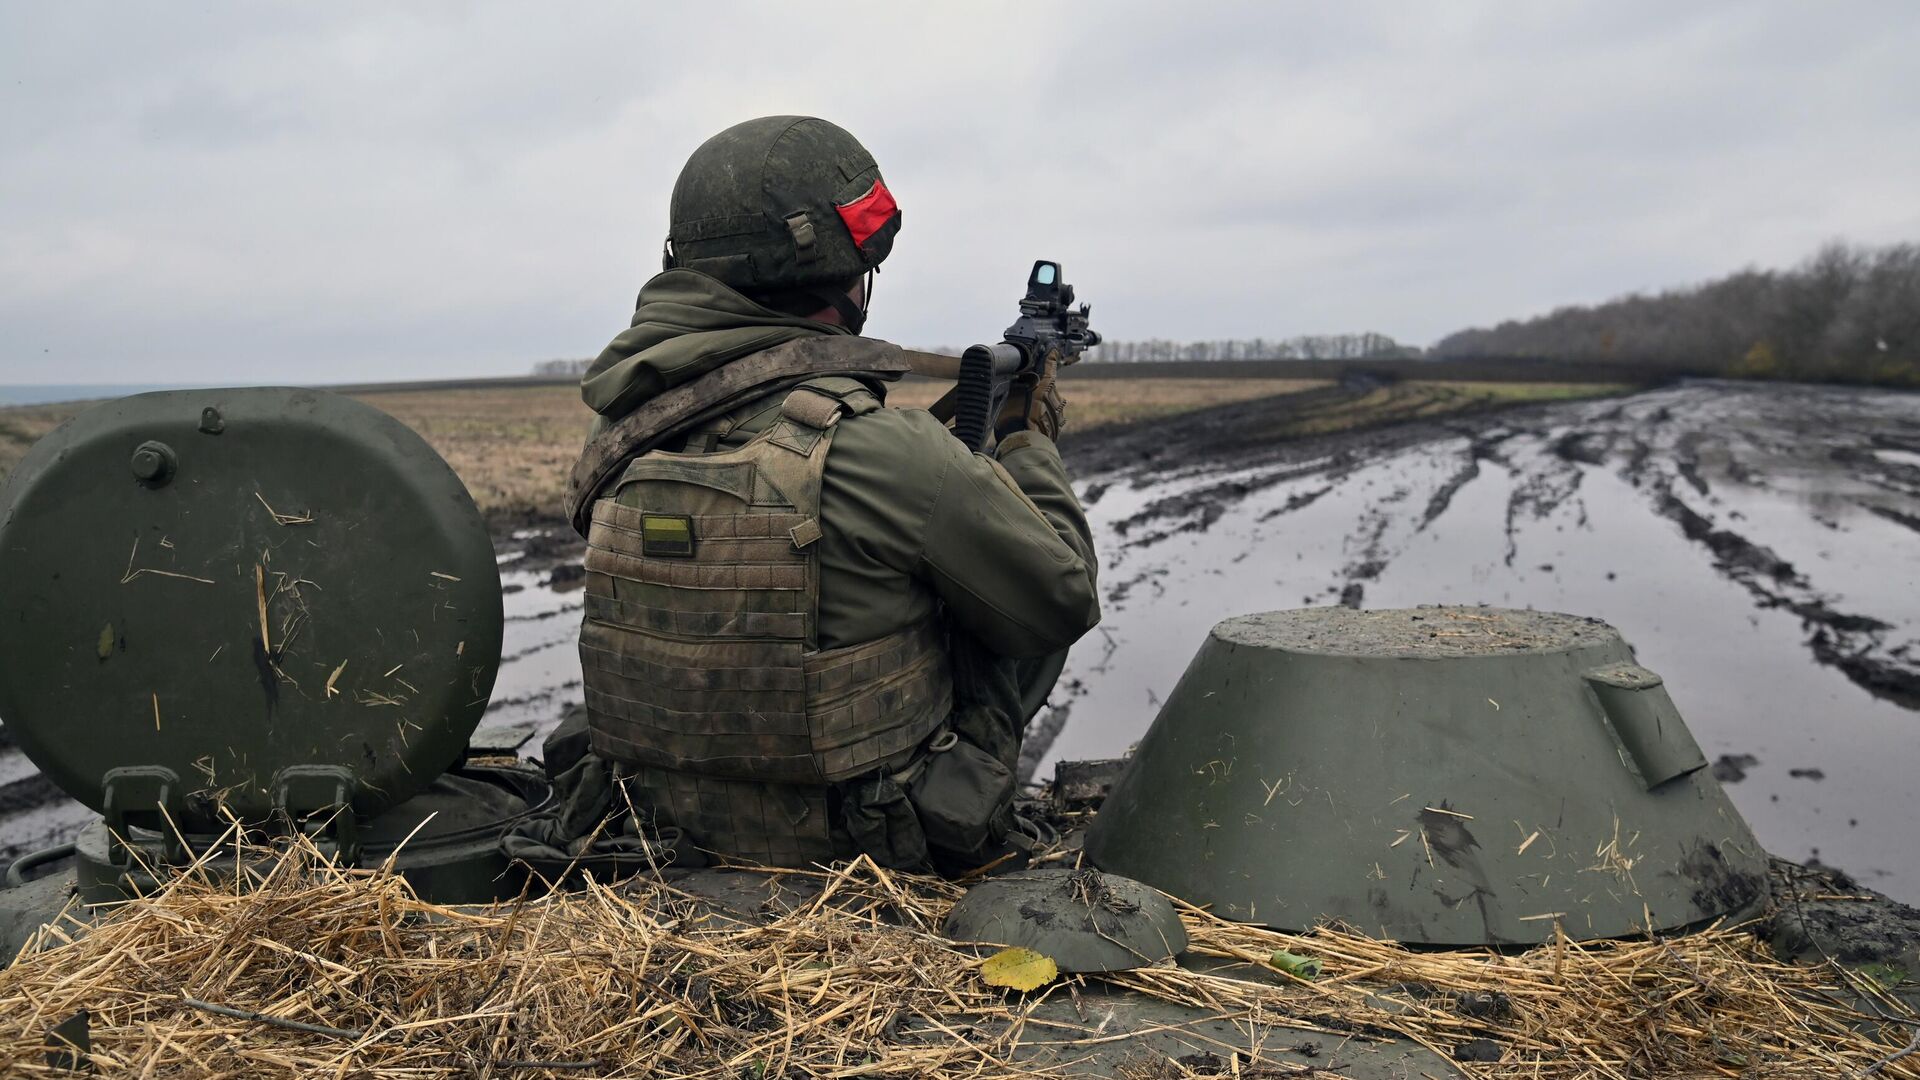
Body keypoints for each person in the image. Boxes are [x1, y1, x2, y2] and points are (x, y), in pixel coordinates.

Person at [567, 116, 1100, 873]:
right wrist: (1027, 440)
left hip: (653, 829)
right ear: (849, 281)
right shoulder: (888, 448)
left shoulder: (621, 424)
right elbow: (1063, 596)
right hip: (858, 850)